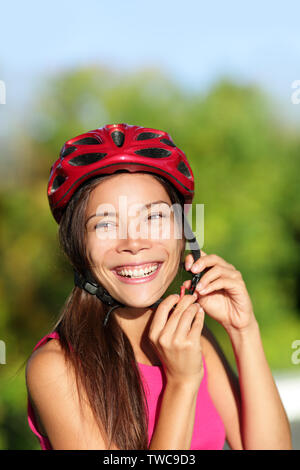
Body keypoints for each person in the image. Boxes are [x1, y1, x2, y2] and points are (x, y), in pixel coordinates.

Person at [25, 123, 292, 450]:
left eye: (154, 218)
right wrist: (181, 383)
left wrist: (243, 330)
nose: (134, 242)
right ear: (76, 244)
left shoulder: (191, 339)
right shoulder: (57, 366)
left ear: (184, 234)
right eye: (105, 223)